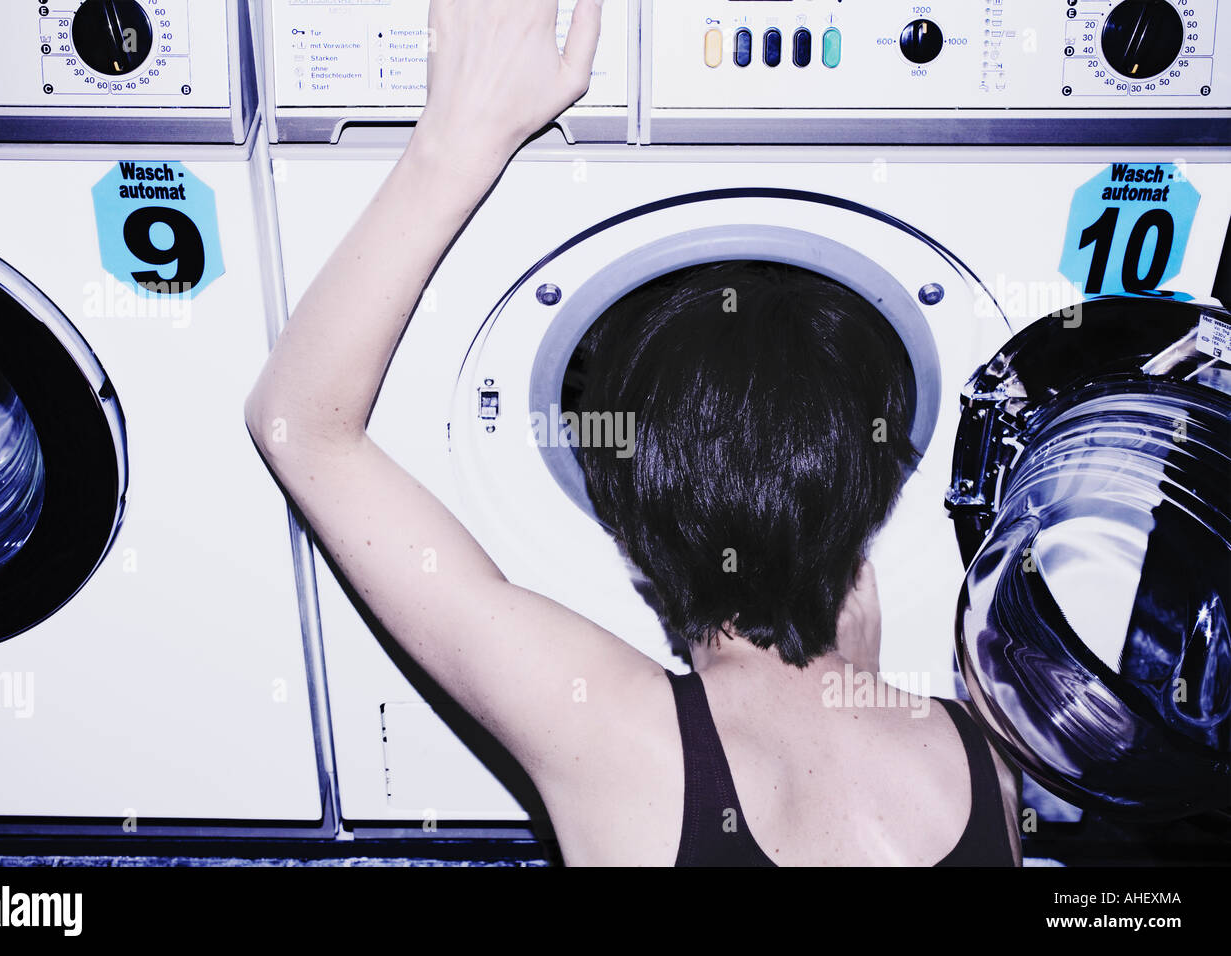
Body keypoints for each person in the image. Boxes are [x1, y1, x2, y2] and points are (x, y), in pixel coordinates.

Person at [245, 0, 1022, 866]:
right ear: (864, 501)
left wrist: (454, 139)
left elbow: (298, 427)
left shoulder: (620, 742)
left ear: (635, 524)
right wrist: (860, 690)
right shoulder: (983, 761)